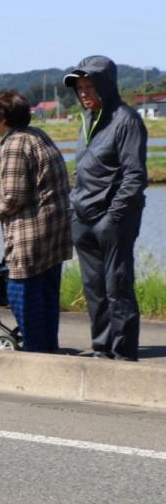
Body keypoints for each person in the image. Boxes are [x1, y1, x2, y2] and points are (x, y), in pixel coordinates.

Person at [64, 57, 148, 361]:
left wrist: (112, 217)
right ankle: (102, 350)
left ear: (107, 86)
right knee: (94, 290)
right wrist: (73, 209)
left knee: (117, 288)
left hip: (113, 221)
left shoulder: (126, 120)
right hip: (83, 218)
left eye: (90, 86)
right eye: (80, 88)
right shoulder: (87, 119)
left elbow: (134, 176)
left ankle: (123, 354)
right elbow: (83, 170)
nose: (84, 93)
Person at [0, 90, 73, 353]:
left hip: (31, 234)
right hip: (55, 231)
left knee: (22, 294)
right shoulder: (38, 135)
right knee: (47, 295)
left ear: (1, 118)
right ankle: (49, 349)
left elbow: (13, 197)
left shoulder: (15, 144)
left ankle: (35, 353)